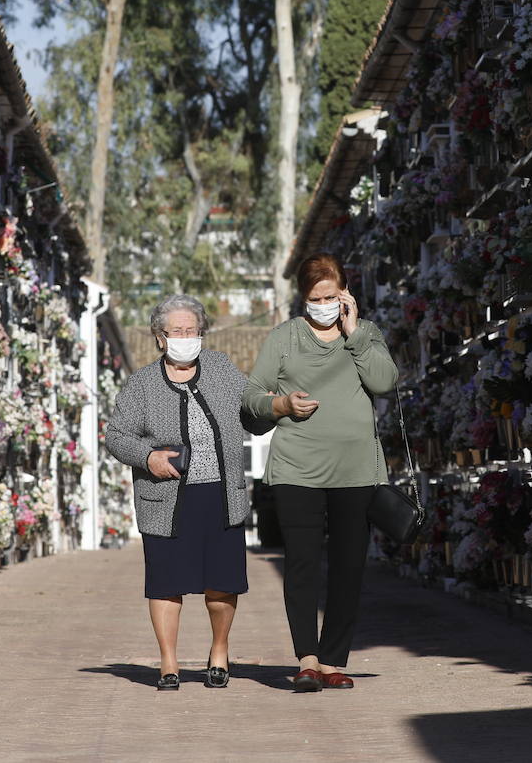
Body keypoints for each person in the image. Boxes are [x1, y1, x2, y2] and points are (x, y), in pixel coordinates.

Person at [243, 253, 398, 692]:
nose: (324, 304)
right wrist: (281, 405)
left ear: (345, 294)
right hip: (297, 469)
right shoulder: (285, 338)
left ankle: (334, 660)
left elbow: (386, 382)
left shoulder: (366, 335)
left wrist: (355, 334)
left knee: (349, 566)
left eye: (332, 296)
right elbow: (252, 395)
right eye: (316, 298)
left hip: (356, 471)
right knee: (303, 564)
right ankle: (307, 659)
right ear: (303, 298)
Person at [105, 294, 252, 691]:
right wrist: (147, 457)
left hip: (221, 495)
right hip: (167, 499)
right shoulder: (142, 384)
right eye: (178, 331)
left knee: (222, 582)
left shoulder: (221, 368)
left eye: (193, 330)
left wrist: (280, 404)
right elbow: (116, 436)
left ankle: (219, 653)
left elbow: (251, 406)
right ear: (160, 337)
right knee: (167, 583)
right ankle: (168, 663)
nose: (187, 337)